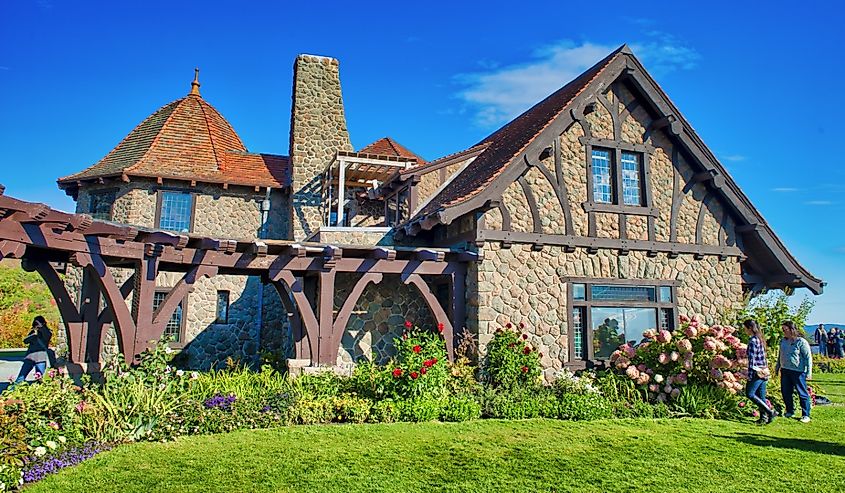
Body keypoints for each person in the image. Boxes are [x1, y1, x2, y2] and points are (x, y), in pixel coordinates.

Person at [775, 320, 813, 423]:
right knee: (786, 391)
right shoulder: (783, 341)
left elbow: (808, 358)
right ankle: (790, 410)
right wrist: (777, 367)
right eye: (782, 330)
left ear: (791, 329)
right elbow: (780, 355)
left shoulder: (801, 342)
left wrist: (809, 372)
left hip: (798, 371)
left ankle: (806, 414)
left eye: (785, 329)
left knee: (802, 393)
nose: (783, 332)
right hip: (785, 370)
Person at [744, 319, 775, 424]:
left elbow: (752, 361)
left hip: (757, 372)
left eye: (745, 328)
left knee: (750, 394)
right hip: (764, 371)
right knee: (761, 396)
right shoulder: (760, 339)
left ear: (749, 328)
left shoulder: (753, 341)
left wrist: (749, 374)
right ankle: (763, 418)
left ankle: (769, 412)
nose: (744, 330)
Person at [14, 316, 52, 384]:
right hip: (30, 357)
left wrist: (41, 327)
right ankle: (12, 391)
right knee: (20, 378)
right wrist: (34, 333)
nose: (37, 325)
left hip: (40, 358)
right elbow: (25, 341)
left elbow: (47, 336)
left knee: (40, 379)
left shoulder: (46, 331)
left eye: (38, 323)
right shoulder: (33, 332)